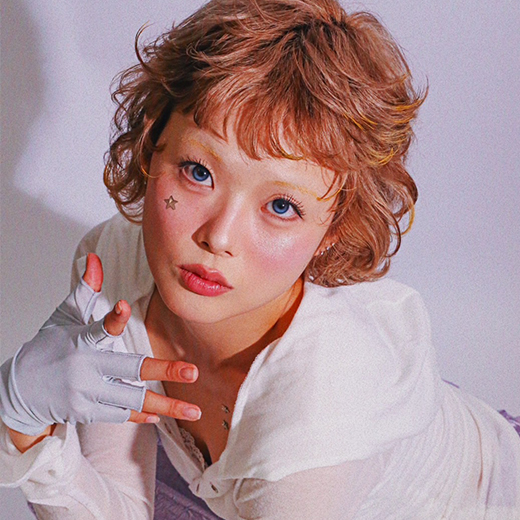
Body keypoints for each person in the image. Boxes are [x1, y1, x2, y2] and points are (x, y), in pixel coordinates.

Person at [1, 0, 519, 518]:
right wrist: (21, 416)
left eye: (281, 206)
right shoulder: (113, 266)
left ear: (333, 231)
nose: (218, 237)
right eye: (199, 171)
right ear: (153, 143)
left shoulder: (323, 405)